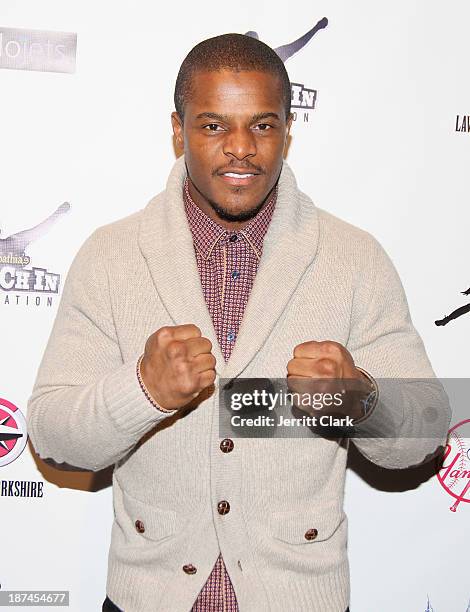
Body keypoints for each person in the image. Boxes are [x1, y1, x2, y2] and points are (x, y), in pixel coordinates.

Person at [27, 33, 450, 612]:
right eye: (212, 125)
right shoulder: (111, 256)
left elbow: (427, 429)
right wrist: (142, 391)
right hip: (148, 598)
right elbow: (50, 432)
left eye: (263, 125)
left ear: (287, 130)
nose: (241, 148)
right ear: (178, 131)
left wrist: (362, 401)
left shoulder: (353, 257)